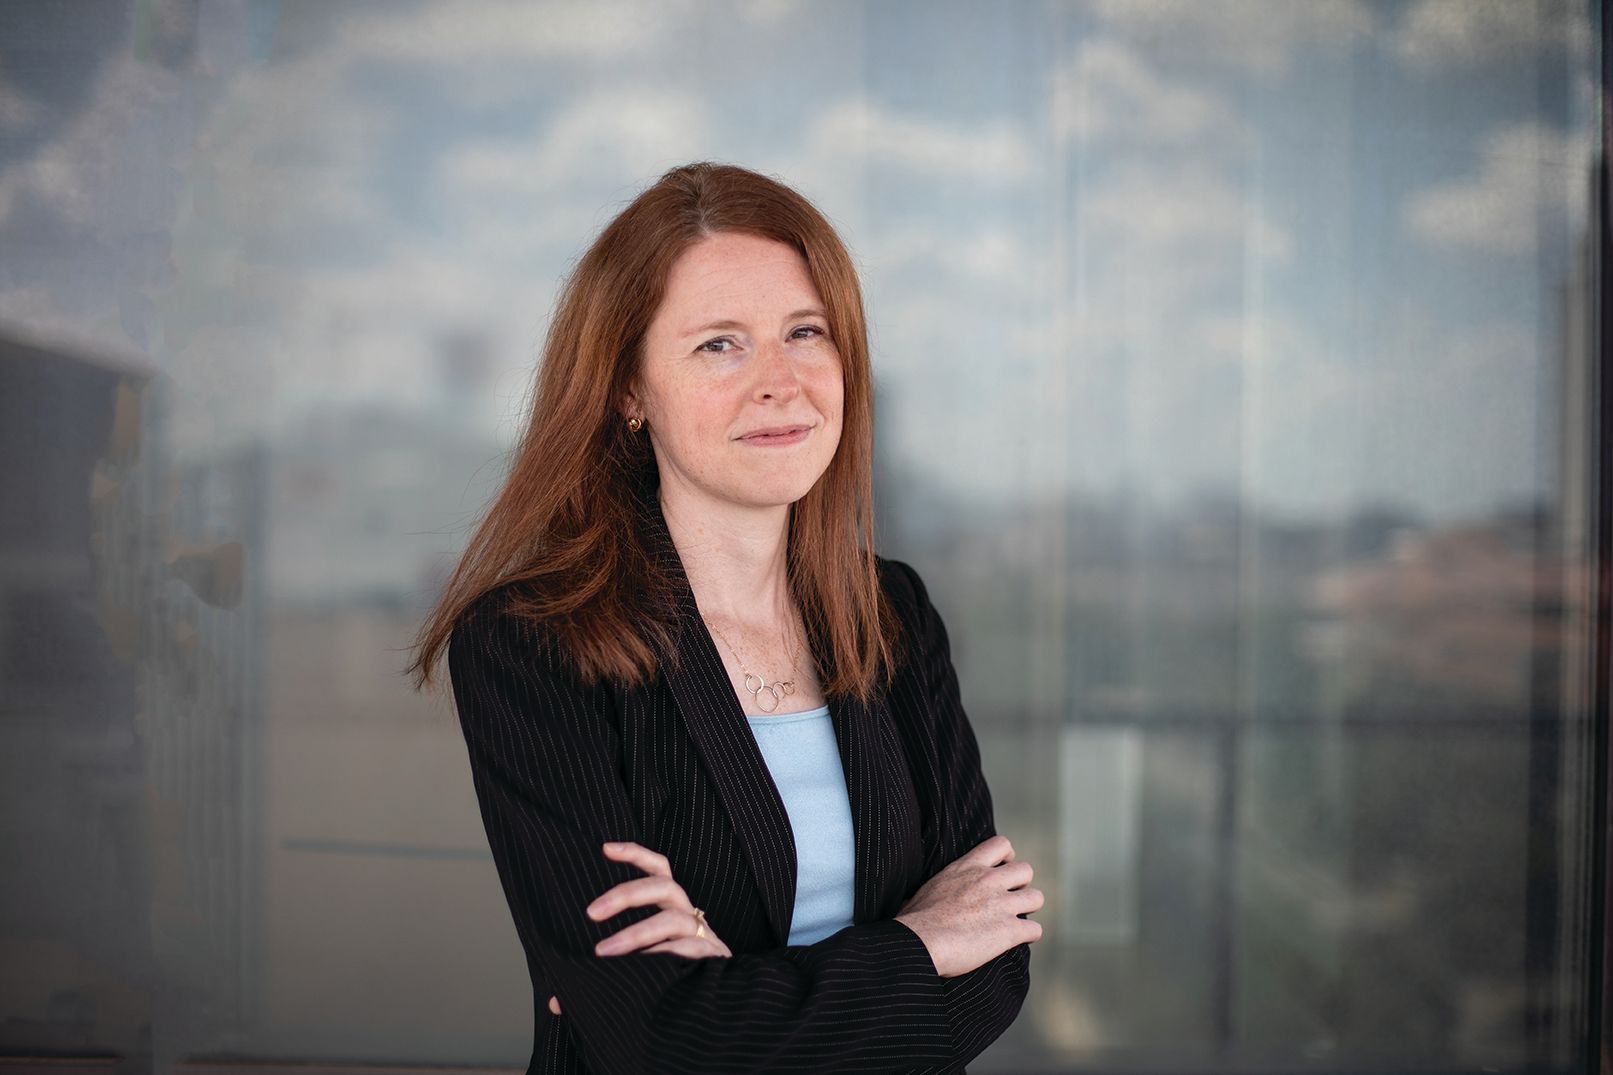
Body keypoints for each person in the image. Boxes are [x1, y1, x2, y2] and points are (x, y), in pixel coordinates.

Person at [408, 161, 1043, 1074]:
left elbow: (995, 962)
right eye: (719, 345)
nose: (780, 381)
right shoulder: (531, 644)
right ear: (629, 390)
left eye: (805, 332)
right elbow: (653, 1035)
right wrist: (920, 945)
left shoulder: (892, 613)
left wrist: (734, 993)